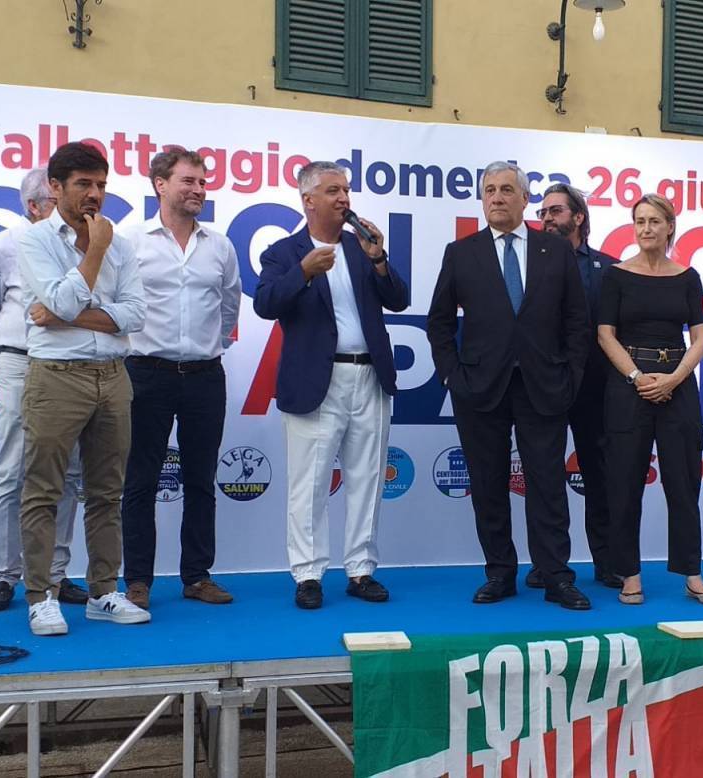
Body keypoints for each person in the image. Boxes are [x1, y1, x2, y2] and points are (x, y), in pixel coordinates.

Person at [425, 161, 592, 611]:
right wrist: (451, 374)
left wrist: (571, 375)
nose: (496, 197)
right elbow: (439, 322)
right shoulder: (461, 253)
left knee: (547, 485)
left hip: (544, 386)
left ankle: (555, 576)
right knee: (488, 484)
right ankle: (499, 574)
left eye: (505, 190)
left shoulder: (555, 251)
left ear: (524, 199)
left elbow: (577, 322)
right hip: (479, 388)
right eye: (489, 191)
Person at [255, 161, 410, 609]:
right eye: (333, 191)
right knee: (309, 484)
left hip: (369, 375)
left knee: (368, 477)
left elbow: (399, 300)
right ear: (308, 199)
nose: (344, 198)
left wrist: (378, 258)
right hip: (316, 380)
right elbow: (266, 303)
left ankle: (361, 569)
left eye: (345, 190)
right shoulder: (284, 253)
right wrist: (303, 272)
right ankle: (308, 574)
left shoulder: (361, 247)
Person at [15, 141, 149, 636]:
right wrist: (94, 251)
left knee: (107, 492)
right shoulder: (34, 240)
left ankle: (103, 592)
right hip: (56, 375)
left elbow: (135, 314)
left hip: (113, 374)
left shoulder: (123, 244)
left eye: (101, 185)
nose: (95, 194)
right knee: (44, 490)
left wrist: (65, 314)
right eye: (83, 185)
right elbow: (64, 301)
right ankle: (41, 596)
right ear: (55, 187)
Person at [118, 148, 242, 610]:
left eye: (203, 182)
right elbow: (114, 302)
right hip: (145, 374)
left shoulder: (220, 246)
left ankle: (197, 576)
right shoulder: (130, 241)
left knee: (201, 480)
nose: (198, 190)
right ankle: (138, 582)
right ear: (160, 184)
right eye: (188, 181)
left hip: (205, 376)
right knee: (140, 482)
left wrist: (209, 345)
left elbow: (230, 304)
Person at [0, 169, 88, 611]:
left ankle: (55, 575)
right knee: (11, 471)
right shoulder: (3, 246)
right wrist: (5, 365)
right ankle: (5, 574)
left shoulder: (78, 246)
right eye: (58, 198)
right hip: (20, 361)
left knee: (68, 473)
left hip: (70, 363)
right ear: (35, 206)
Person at [596, 193, 703, 606]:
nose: (646, 228)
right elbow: (605, 335)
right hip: (627, 386)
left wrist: (675, 379)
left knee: (684, 482)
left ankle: (692, 574)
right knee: (624, 483)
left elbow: (700, 338)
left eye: (654, 221)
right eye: (640, 221)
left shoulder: (688, 277)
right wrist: (636, 376)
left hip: (677, 384)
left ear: (670, 227)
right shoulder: (615, 276)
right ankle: (629, 575)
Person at [533, 182, 622, 590]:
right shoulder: (529, 265)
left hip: (597, 389)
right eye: (544, 212)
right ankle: (548, 564)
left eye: (556, 211)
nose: (547, 219)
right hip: (545, 385)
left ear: (579, 217)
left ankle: (608, 562)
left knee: (601, 477)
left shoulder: (610, 269)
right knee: (545, 477)